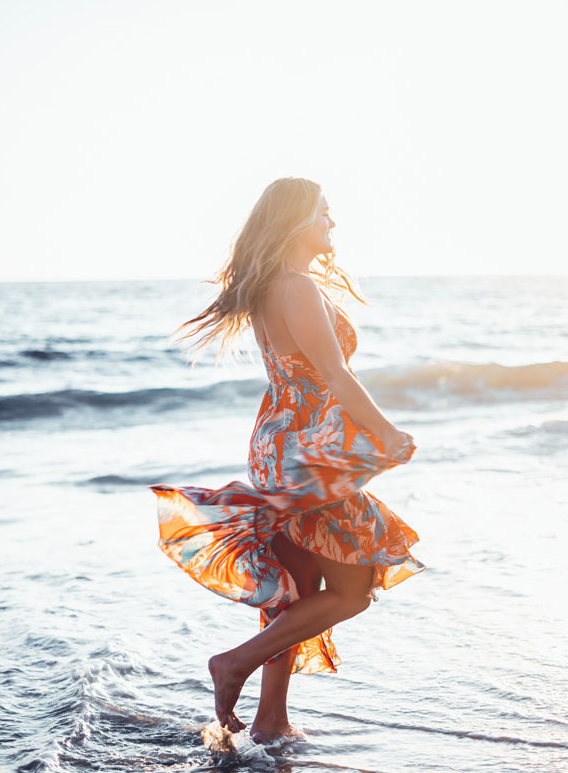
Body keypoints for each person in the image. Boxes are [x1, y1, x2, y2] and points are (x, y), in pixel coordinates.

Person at [151, 177, 424, 741]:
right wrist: (387, 432)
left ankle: (270, 720)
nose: (332, 224)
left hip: (282, 442)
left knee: (295, 589)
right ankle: (234, 664)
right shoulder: (295, 287)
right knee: (351, 591)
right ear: (298, 221)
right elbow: (335, 375)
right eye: (325, 213)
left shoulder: (275, 285)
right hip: (306, 451)